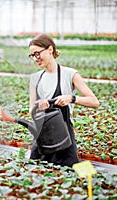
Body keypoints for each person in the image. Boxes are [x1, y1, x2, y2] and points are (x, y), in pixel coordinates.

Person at [28, 33, 99, 167]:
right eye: (32, 55)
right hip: (43, 134)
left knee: (67, 173)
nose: (35, 58)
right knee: (37, 172)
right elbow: (31, 110)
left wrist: (71, 98)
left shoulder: (70, 74)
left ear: (50, 49)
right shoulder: (35, 78)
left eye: (37, 53)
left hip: (64, 135)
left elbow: (94, 102)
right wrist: (38, 107)